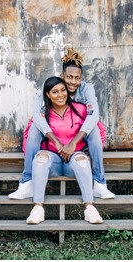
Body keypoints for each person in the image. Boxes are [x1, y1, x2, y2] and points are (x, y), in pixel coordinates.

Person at [8, 48, 115, 200]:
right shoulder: (50, 85)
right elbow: (37, 114)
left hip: (78, 137)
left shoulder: (86, 89)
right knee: (33, 127)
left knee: (95, 129)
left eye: (77, 78)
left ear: (81, 77)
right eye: (69, 77)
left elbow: (93, 115)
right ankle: (27, 182)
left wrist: (73, 143)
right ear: (62, 75)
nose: (73, 82)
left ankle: (99, 183)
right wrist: (56, 142)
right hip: (54, 137)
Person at [26, 76, 103, 224]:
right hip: (53, 161)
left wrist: (83, 150)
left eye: (63, 90)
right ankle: (38, 208)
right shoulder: (44, 114)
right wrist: (58, 145)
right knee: (40, 158)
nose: (60, 95)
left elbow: (95, 130)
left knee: (81, 160)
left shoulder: (80, 109)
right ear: (47, 95)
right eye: (55, 92)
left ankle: (89, 207)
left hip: (73, 161)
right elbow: (32, 135)